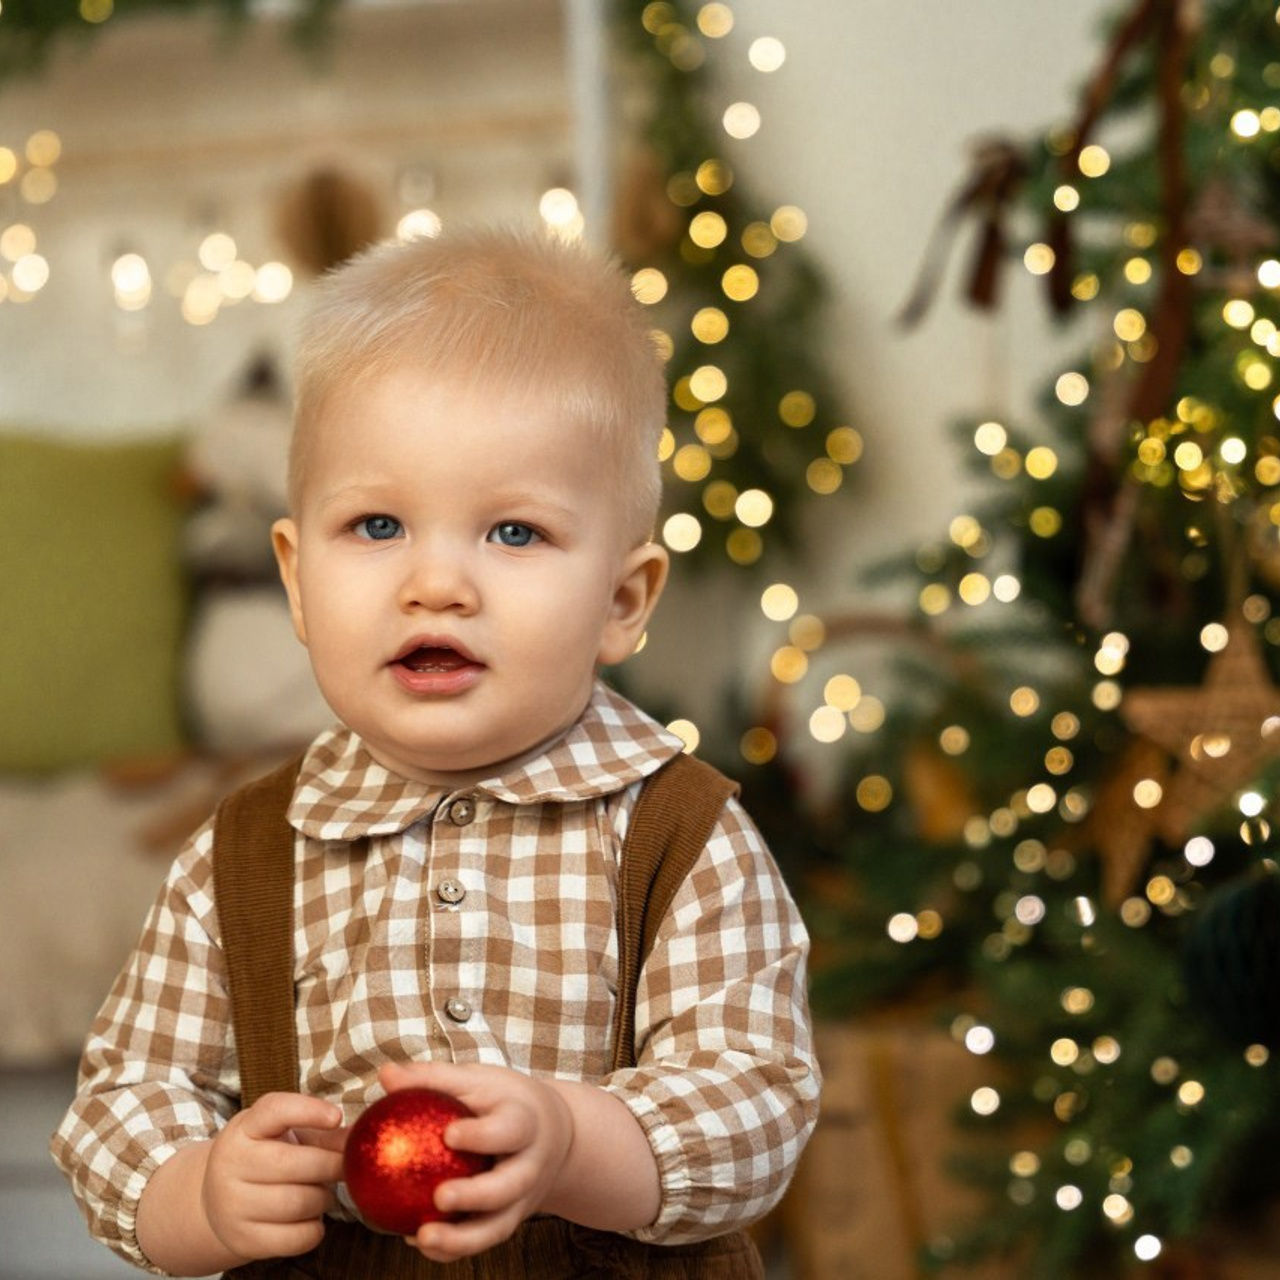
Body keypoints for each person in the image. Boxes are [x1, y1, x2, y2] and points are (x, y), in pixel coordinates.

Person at [51, 226, 821, 1277]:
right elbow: (125, 1096)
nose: (436, 585)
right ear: (295, 581)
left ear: (621, 600)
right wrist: (199, 1192)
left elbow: (755, 1101)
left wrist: (573, 1144)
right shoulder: (245, 852)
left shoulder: (680, 836)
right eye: (377, 525)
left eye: (513, 532)